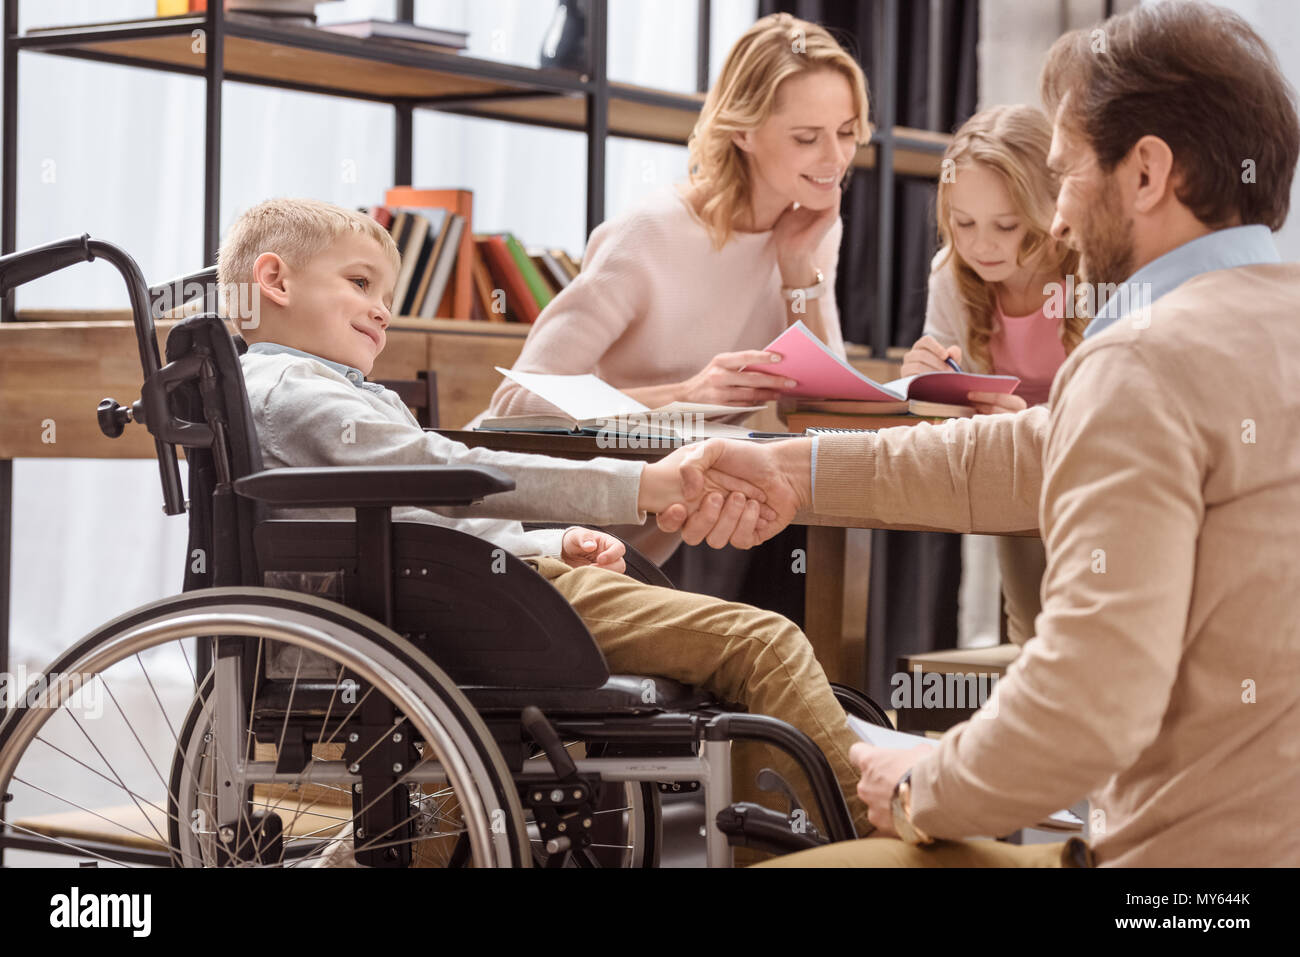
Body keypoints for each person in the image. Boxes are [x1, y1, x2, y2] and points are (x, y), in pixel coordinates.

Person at [666, 0, 1300, 866]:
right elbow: (1017, 453)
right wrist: (790, 470)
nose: (1061, 218)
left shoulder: (1148, 358)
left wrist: (922, 785)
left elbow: (1088, 704)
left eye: (1069, 171)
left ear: (1147, 173)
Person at [219, 196, 940, 864]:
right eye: (360, 282)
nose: (382, 311)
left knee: (740, 656)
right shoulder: (296, 392)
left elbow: (414, 516)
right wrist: (643, 485)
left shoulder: (306, 395)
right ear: (275, 280)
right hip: (443, 609)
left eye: (387, 295)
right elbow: (446, 469)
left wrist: (545, 542)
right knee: (764, 643)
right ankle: (877, 840)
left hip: (435, 595)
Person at [481, 12, 869, 567]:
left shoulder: (808, 228)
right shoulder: (652, 233)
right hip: (519, 523)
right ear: (743, 131)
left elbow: (822, 416)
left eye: (848, 132)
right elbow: (515, 408)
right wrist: (685, 396)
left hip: (632, 540)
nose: (835, 159)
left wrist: (798, 271)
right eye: (808, 138)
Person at [901, 104, 1089, 646]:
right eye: (963, 224)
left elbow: (1123, 410)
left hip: (1091, 471)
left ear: (1048, 211)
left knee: (1083, 624)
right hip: (1012, 473)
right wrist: (930, 391)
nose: (981, 245)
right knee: (1032, 630)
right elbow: (947, 410)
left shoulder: (1093, 275)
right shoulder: (951, 278)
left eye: (1006, 226)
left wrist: (1032, 420)